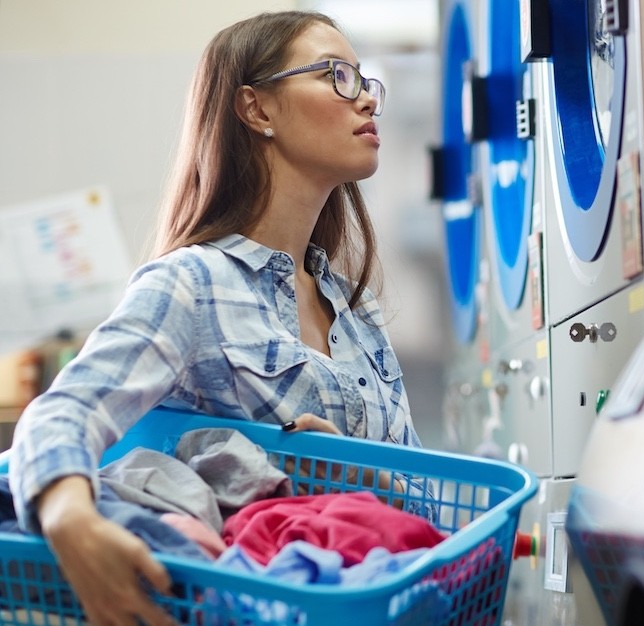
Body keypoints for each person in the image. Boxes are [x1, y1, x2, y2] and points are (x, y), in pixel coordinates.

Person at [8, 11, 417, 625]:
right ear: (256, 110)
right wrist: (70, 518)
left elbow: (431, 504)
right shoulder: (191, 285)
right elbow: (62, 415)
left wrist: (363, 479)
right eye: (336, 74)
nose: (365, 98)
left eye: (363, 79)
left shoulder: (359, 315)